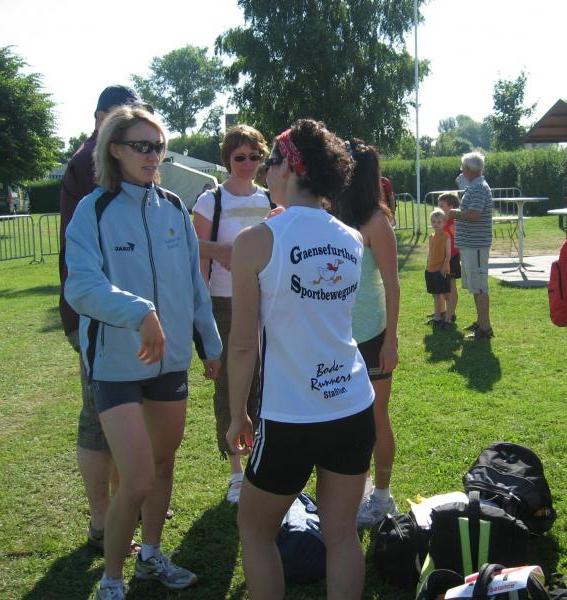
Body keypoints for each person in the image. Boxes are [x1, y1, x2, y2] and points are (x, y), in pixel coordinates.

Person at [65, 106, 222, 600]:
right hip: (116, 365)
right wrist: (139, 312)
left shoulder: (173, 207)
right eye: (142, 147)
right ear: (115, 149)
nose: (154, 156)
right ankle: (112, 580)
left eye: (159, 147)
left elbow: (193, 284)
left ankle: (151, 556)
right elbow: (81, 287)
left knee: (162, 466)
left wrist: (210, 343)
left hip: (170, 363)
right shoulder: (93, 210)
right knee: (134, 480)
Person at [226, 119, 375, 600]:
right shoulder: (352, 238)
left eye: (271, 161)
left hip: (291, 414)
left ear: (291, 168)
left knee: (255, 530)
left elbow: (243, 343)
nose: (265, 171)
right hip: (352, 406)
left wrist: (237, 414)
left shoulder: (255, 241)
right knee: (342, 533)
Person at [58, 85, 152, 557]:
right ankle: (102, 518)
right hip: (97, 314)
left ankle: (125, 502)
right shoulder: (87, 165)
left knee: (126, 415)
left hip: (128, 315)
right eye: (122, 117)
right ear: (101, 120)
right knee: (99, 417)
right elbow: (87, 267)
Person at [192, 125, 271, 504]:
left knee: (265, 381)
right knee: (230, 385)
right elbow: (194, 248)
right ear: (227, 159)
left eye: (255, 156)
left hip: (267, 301)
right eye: (240, 157)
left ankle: (259, 457)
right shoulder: (211, 201)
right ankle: (236, 469)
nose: (248, 163)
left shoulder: (270, 199)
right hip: (224, 300)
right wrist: (222, 252)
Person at [328, 139, 400, 528]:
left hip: (371, 335)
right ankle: (359, 490)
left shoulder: (376, 221)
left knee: (375, 416)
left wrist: (391, 339)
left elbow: (393, 284)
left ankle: (383, 498)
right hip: (335, 336)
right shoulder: (331, 215)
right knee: (342, 420)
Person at [447, 152, 494, 340]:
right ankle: (481, 322)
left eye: (463, 168)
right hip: (472, 245)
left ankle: (485, 328)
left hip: (476, 245)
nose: (462, 171)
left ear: (469, 169)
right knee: (476, 286)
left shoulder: (478, 188)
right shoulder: (475, 187)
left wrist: (455, 214)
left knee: (480, 287)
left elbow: (475, 214)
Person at [425, 208, 453, 328]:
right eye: (434, 221)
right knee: (435, 295)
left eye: (439, 222)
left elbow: (448, 255)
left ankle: (448, 318)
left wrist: (444, 266)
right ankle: (437, 317)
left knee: (446, 295)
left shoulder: (446, 236)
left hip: (441, 270)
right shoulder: (431, 236)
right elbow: (430, 252)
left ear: (444, 222)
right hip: (430, 269)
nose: (436, 224)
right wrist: (427, 266)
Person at [438, 192, 461, 323]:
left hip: (452, 258)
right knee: (443, 287)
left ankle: (450, 316)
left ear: (451, 207)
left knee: (451, 287)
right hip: (442, 258)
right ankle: (445, 313)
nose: (439, 208)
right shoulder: (442, 221)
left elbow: (458, 240)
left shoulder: (453, 223)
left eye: (441, 205)